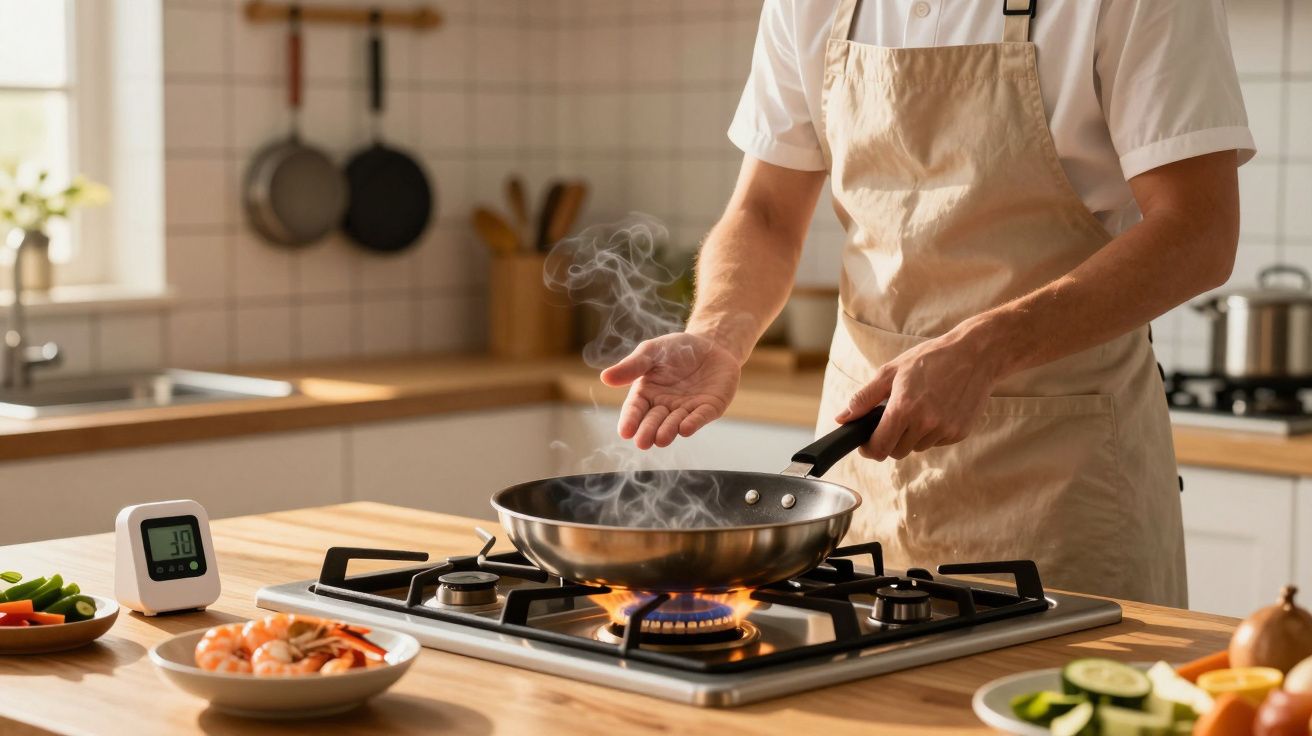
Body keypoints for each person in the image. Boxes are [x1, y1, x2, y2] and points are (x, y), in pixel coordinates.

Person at [599, 0, 1254, 607]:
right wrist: (719, 333)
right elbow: (766, 209)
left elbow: (1198, 231)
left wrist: (988, 348)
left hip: (1061, 478)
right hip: (858, 470)